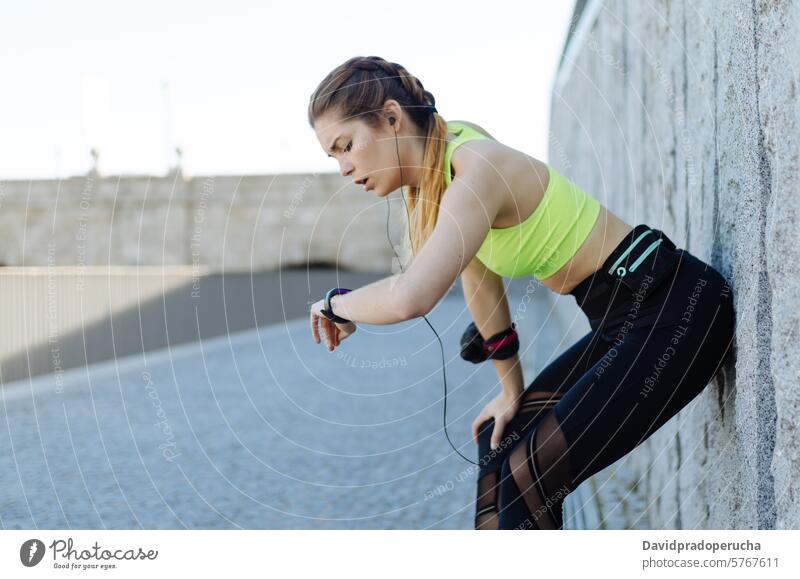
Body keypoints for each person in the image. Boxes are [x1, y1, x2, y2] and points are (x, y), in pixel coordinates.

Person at [306, 55, 736, 530]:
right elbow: (479, 277)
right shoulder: (444, 166)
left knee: (526, 475)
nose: (344, 167)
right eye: (334, 157)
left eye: (347, 145)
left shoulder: (476, 170)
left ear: (391, 117)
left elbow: (411, 297)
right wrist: (510, 390)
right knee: (499, 440)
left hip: (673, 306)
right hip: (618, 321)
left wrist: (335, 304)